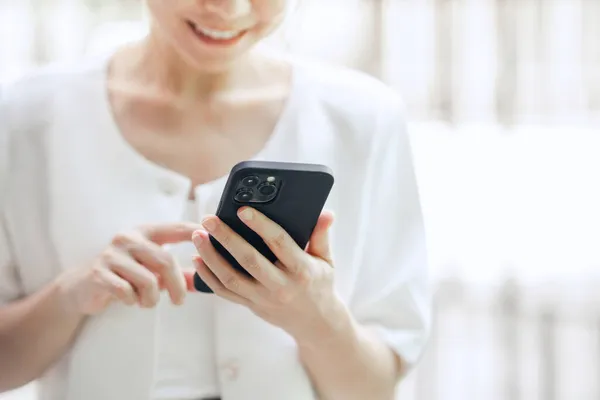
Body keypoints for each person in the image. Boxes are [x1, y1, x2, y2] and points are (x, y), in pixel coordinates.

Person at [0, 1, 430, 399]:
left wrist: (317, 319)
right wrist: (69, 297)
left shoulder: (364, 119)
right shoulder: (26, 118)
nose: (230, 9)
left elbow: (374, 389)